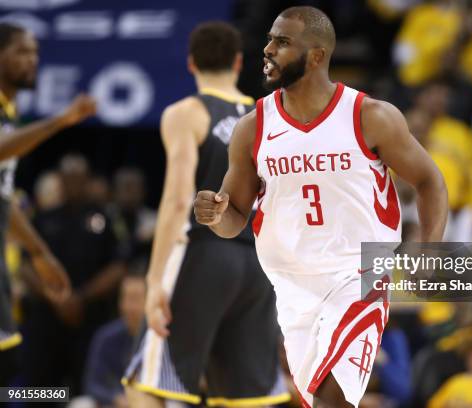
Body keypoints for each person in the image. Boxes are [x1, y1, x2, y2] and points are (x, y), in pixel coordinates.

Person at [194, 6, 448, 407]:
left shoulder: (370, 116)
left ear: (316, 55)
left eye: (282, 42)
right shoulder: (253, 127)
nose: (267, 49)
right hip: (291, 286)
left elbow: (430, 180)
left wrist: (430, 250)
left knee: (335, 400)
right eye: (270, 39)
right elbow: (233, 220)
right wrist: (215, 214)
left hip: (358, 272)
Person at [123, 22, 288, 407]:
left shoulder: (188, 113)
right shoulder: (267, 118)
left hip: (204, 255)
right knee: (246, 398)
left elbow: (179, 200)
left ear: (191, 63)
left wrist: (153, 281)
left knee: (147, 382)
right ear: (238, 62)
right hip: (258, 265)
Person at [0, 22, 96, 385]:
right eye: (22, 52)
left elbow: (2, 198)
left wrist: (39, 253)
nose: (33, 60)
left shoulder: (8, 113)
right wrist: (61, 120)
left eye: (35, 52)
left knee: (10, 375)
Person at [23, 154, 125, 393]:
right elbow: (25, 267)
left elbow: (118, 266)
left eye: (78, 179)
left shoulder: (103, 218)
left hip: (89, 317)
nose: (73, 184)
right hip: (47, 318)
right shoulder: (43, 217)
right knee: (39, 390)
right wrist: (56, 297)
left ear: (88, 180)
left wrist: (81, 297)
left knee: (84, 391)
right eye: (68, 178)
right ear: (60, 180)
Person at [84, 271, 147, 408]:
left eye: (135, 298)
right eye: (125, 298)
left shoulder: (162, 340)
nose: (129, 307)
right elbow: (91, 384)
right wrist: (115, 397)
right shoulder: (106, 337)